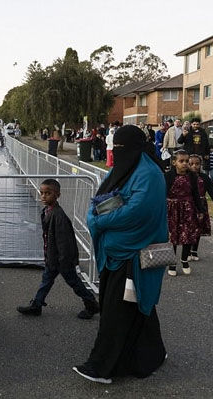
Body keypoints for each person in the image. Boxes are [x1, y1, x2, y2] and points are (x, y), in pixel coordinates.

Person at [74, 125, 167, 384]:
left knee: (117, 312)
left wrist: (99, 221)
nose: (118, 153)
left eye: (122, 148)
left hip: (132, 256)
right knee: (136, 307)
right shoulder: (127, 169)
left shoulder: (148, 174)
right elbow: (103, 196)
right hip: (116, 254)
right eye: (116, 147)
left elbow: (138, 212)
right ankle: (153, 353)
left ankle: (103, 367)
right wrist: (95, 213)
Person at [17, 179, 100, 319]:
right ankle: (36, 305)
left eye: (48, 193)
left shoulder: (58, 216)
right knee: (46, 281)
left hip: (62, 260)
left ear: (57, 195)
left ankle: (91, 304)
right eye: (41, 193)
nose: (43, 196)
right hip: (53, 257)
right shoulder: (48, 211)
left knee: (74, 282)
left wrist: (63, 261)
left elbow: (64, 242)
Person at [165, 150, 204, 276]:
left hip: (188, 208)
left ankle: (184, 259)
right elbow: (162, 193)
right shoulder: (168, 176)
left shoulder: (192, 176)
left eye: (186, 161)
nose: (185, 164)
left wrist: (200, 210)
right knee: (173, 236)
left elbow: (196, 194)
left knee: (187, 235)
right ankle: (172, 263)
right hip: (172, 209)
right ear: (174, 162)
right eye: (181, 161)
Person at [188, 154, 213, 261]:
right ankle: (187, 250)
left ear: (201, 165)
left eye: (197, 164)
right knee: (189, 228)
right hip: (189, 205)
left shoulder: (205, 178)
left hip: (201, 205)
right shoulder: (185, 177)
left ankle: (194, 251)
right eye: (191, 164)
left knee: (198, 228)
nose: (194, 166)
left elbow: (212, 193)